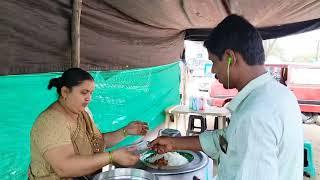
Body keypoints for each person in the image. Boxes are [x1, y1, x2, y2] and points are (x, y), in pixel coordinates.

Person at [150, 15, 303, 180]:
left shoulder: (254, 115)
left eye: (214, 62)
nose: (213, 71)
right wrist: (173, 143)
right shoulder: (278, 94)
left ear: (231, 57)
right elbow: (224, 141)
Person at [29, 68, 149, 179]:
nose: (89, 98)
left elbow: (97, 143)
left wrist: (126, 131)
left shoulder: (82, 113)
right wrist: (112, 156)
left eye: (91, 93)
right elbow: (64, 168)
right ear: (65, 92)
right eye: (84, 92)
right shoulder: (51, 122)